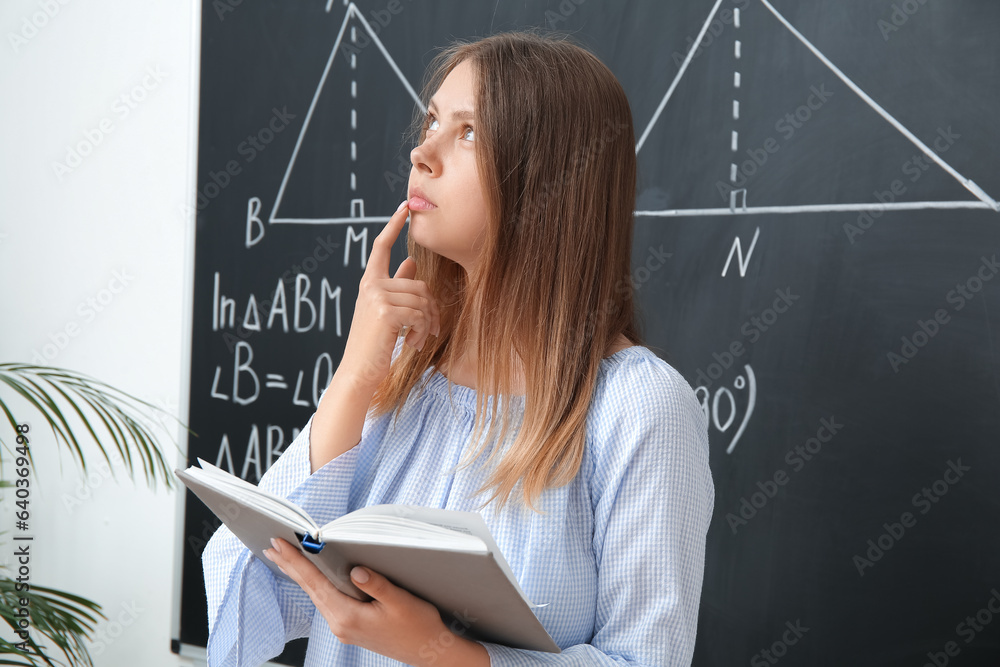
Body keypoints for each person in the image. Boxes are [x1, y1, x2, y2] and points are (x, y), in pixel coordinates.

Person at [202, 30, 715, 667]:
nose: (423, 151)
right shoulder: (402, 368)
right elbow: (252, 579)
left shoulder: (638, 407)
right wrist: (357, 374)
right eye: (433, 122)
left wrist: (438, 651)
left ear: (550, 179)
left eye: (468, 132)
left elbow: (646, 661)